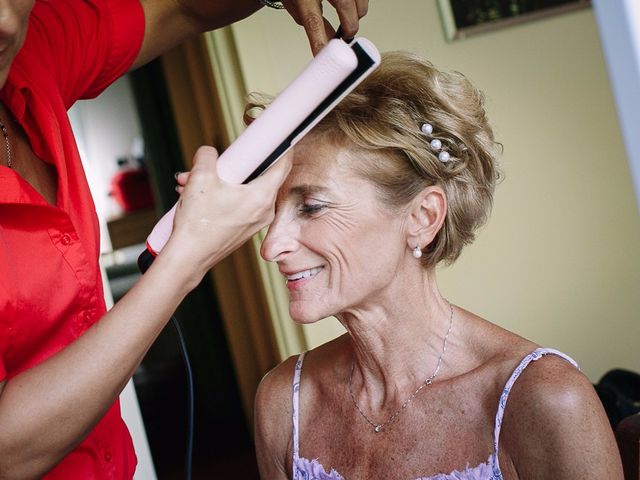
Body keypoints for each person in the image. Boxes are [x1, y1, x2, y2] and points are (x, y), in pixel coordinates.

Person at [0, 0, 369, 478]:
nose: (7, 20)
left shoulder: (34, 49)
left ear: (425, 216)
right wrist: (186, 257)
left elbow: (182, 8)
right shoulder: (285, 407)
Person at [254, 51, 624, 479]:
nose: (271, 246)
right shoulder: (286, 403)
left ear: (422, 218)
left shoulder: (543, 399)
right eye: (273, 212)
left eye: (312, 207)